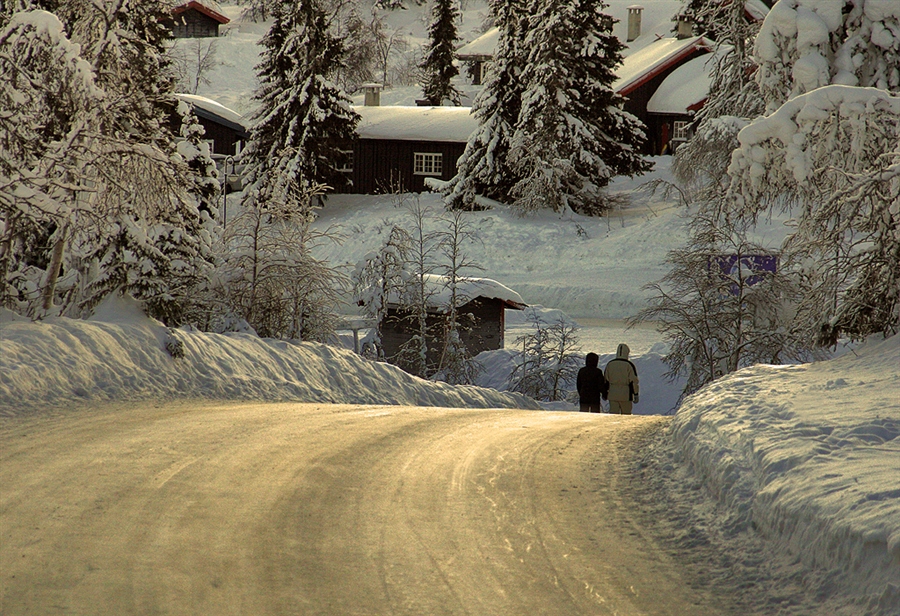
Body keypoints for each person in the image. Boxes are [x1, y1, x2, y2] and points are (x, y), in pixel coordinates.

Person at [604, 343, 639, 415]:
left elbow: (606, 380)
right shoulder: (629, 365)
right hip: (626, 394)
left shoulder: (610, 364)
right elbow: (633, 382)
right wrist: (636, 394)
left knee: (613, 415)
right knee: (626, 415)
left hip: (612, 393)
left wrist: (605, 393)